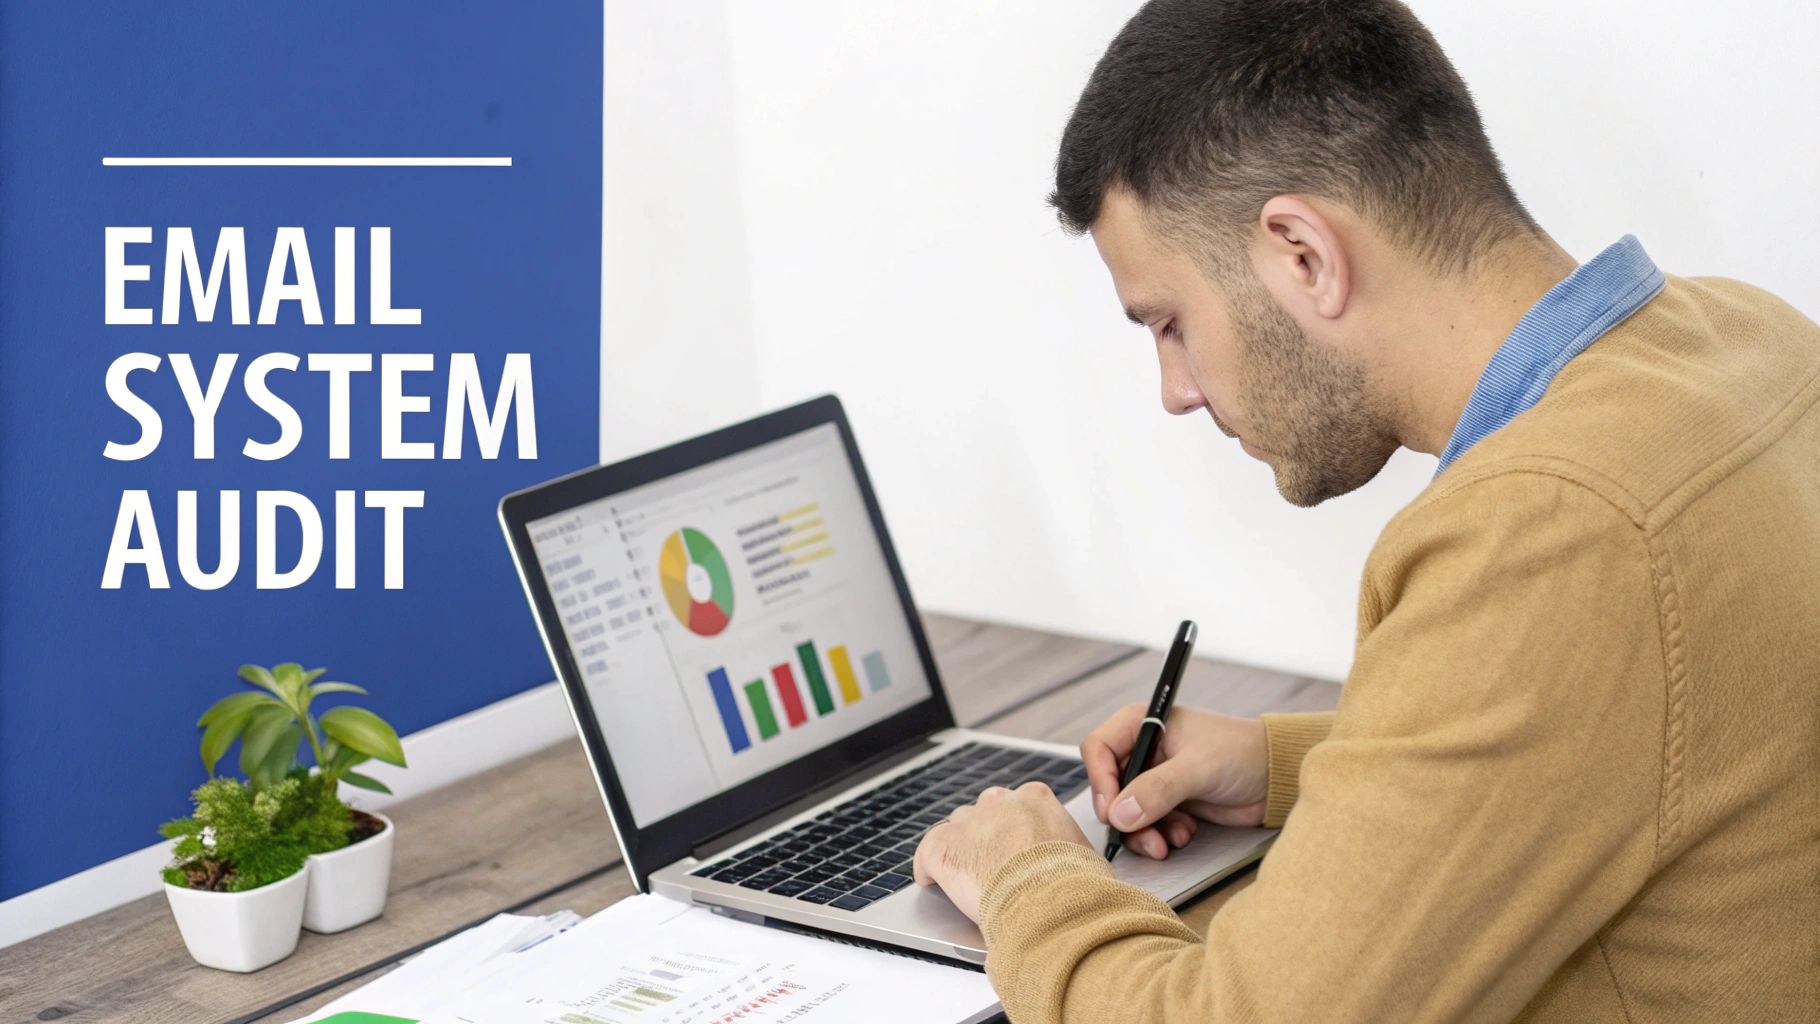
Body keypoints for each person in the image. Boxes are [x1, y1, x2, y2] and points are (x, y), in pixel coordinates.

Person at [909, 1, 1820, 1020]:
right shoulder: (1749, 339)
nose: (1172, 386)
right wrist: (1295, 764)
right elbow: (1637, 733)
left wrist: (1027, 874)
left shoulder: (1545, 530)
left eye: (1168, 322)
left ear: (1301, 252)